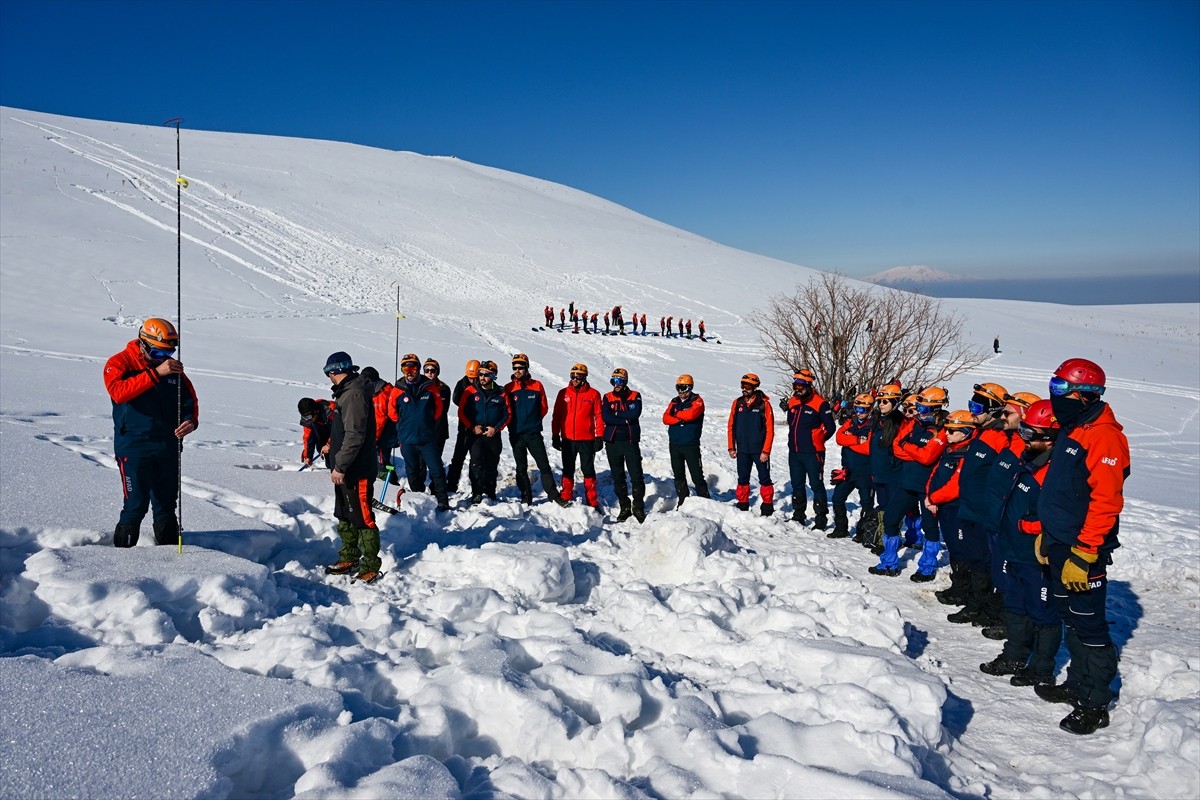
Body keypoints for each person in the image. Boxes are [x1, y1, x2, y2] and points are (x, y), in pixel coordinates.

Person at [1033, 358, 1129, 735]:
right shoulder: (1074, 427)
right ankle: (1077, 684)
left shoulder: (1104, 437)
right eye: (1052, 386)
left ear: (1084, 395)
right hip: (1060, 541)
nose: (1053, 395)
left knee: (1089, 624)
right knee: (1071, 617)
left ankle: (1095, 702)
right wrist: (1048, 533)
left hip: (1083, 547)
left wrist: (1086, 550)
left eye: (1059, 389)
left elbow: (1106, 501)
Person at [978, 399, 1062, 689]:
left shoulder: (1056, 472)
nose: (1023, 438)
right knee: (1015, 605)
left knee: (1043, 611)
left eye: (1030, 434)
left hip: (1036, 555)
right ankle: (1014, 656)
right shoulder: (1029, 461)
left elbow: (1065, 517)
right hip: (1013, 548)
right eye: (1023, 430)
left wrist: (1029, 526)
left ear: (1050, 438)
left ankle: (1042, 667)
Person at [103, 317, 199, 547]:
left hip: (168, 446)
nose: (163, 358)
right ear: (143, 343)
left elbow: (189, 400)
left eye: (168, 353)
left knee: (166, 505)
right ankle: (121, 558)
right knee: (135, 504)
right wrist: (157, 373)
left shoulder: (172, 369)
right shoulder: (119, 363)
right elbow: (118, 392)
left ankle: (170, 557)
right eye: (157, 353)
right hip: (134, 447)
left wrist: (190, 421)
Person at [871, 386, 947, 577]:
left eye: (923, 409)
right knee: (891, 518)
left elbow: (928, 457)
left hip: (928, 486)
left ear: (936, 408)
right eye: (918, 408)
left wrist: (909, 448)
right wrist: (916, 451)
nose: (919, 412)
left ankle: (927, 567)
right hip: (907, 482)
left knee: (929, 526)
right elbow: (896, 447)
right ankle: (889, 562)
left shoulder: (942, 430)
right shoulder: (914, 424)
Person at [320, 352, 381, 582]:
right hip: (345, 469)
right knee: (345, 514)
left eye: (328, 373)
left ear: (334, 371)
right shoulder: (346, 392)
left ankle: (370, 564)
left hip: (357, 470)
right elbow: (343, 431)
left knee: (362, 517)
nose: (328, 377)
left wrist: (341, 466)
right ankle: (349, 556)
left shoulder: (354, 394)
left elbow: (355, 435)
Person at [919, 410, 977, 582]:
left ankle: (964, 585)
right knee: (952, 545)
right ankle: (957, 584)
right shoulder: (950, 449)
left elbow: (955, 485)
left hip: (956, 508)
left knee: (960, 548)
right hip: (943, 506)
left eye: (951, 431)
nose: (947, 434)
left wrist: (933, 498)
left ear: (965, 432)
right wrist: (930, 495)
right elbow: (935, 474)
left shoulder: (967, 453)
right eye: (946, 430)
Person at [504, 353, 570, 506]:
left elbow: (543, 407)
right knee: (521, 467)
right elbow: (505, 410)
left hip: (533, 433)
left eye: (520, 367)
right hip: (516, 434)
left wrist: (533, 421)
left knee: (544, 465)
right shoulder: (508, 388)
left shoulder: (537, 385)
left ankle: (553, 495)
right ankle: (526, 495)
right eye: (515, 368)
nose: (517, 370)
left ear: (527, 368)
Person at [393, 353, 451, 512]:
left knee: (436, 469)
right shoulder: (398, 389)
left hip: (427, 439)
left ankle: (442, 501)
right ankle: (419, 498)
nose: (409, 371)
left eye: (413, 368)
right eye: (405, 368)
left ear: (418, 369)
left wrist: (426, 422)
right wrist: (404, 425)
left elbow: (438, 410)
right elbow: (392, 412)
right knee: (412, 471)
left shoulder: (430, 388)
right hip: (407, 439)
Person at [780, 369, 836, 528]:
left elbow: (831, 428)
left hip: (813, 453)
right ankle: (798, 515)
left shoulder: (820, 403)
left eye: (801, 386)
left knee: (816, 484)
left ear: (808, 385)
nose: (797, 389)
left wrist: (818, 440)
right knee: (797, 484)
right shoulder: (793, 401)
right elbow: (793, 424)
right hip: (795, 452)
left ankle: (821, 519)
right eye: (795, 385)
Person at [551, 363, 604, 508]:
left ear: (584, 378)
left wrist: (599, 436)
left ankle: (592, 501)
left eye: (578, 376)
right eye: (572, 376)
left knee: (588, 469)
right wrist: (555, 435)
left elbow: (599, 416)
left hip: (587, 440)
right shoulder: (563, 393)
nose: (574, 379)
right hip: (568, 439)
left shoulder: (593, 394)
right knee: (568, 468)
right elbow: (557, 415)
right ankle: (566, 496)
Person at [458, 360, 510, 504]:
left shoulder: (501, 392)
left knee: (492, 464)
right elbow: (461, 412)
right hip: (476, 434)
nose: (482, 377)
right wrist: (472, 427)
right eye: (480, 374)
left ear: (493, 376)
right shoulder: (470, 390)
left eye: (486, 375)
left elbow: (508, 414)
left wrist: (496, 428)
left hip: (493, 434)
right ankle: (476, 492)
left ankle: (490, 492)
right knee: (476, 463)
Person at [601, 367, 646, 522]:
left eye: (619, 381)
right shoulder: (607, 397)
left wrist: (617, 415)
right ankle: (624, 506)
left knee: (636, 476)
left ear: (625, 382)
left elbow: (634, 414)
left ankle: (638, 507)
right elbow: (606, 417)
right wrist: (625, 419)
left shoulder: (635, 395)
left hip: (630, 441)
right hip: (613, 441)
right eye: (614, 381)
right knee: (618, 476)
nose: (616, 384)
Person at [727, 373, 775, 515]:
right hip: (742, 450)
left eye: (747, 386)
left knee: (765, 479)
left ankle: (767, 508)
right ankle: (743, 505)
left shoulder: (764, 404)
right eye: (742, 385)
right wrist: (731, 447)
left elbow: (770, 430)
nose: (744, 388)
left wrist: (766, 451)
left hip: (759, 451)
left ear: (755, 387)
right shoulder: (737, 403)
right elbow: (731, 426)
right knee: (742, 479)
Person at [864, 384, 904, 552]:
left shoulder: (900, 423)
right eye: (880, 401)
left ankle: (889, 541)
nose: (881, 404)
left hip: (894, 474)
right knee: (882, 506)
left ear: (895, 403)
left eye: (885, 401)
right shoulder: (878, 421)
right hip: (879, 472)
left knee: (892, 509)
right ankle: (883, 537)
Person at [830, 393, 875, 539]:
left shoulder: (875, 425)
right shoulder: (851, 422)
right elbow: (839, 438)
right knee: (837, 499)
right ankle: (841, 528)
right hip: (848, 471)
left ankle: (862, 532)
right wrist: (857, 440)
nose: (859, 412)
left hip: (866, 472)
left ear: (870, 409)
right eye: (856, 409)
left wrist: (849, 440)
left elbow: (869, 448)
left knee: (867, 504)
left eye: (862, 409)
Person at [663, 374, 711, 508]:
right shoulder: (674, 401)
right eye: (678, 388)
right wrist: (680, 418)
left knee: (697, 476)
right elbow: (665, 418)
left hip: (690, 444)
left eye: (683, 388)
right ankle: (683, 501)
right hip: (675, 444)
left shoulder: (697, 401)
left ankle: (706, 502)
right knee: (678, 475)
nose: (681, 391)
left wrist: (676, 416)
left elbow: (691, 415)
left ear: (690, 387)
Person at [360, 367, 401, 484]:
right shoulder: (379, 390)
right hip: (382, 433)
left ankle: (390, 483)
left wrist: (374, 438)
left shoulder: (382, 394)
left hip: (385, 435)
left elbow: (380, 419)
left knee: (382, 461)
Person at [445, 360, 480, 492]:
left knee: (477, 459)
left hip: (478, 427)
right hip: (464, 426)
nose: (473, 380)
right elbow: (456, 399)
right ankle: (451, 485)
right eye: (471, 378)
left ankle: (477, 488)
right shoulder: (462, 384)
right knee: (458, 458)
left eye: (475, 377)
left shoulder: (482, 384)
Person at [422, 358, 452, 492]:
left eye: (432, 370)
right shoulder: (420, 386)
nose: (429, 373)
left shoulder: (444, 389)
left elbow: (443, 409)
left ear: (437, 372)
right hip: (422, 430)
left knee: (435, 460)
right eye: (427, 370)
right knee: (420, 462)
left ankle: (437, 488)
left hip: (439, 430)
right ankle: (419, 490)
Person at [298, 397, 335, 469]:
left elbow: (340, 430)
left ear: (316, 411)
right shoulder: (309, 421)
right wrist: (308, 456)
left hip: (344, 443)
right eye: (304, 417)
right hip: (326, 445)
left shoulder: (332, 411)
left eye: (309, 416)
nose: (307, 419)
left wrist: (329, 444)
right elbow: (308, 438)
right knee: (331, 465)